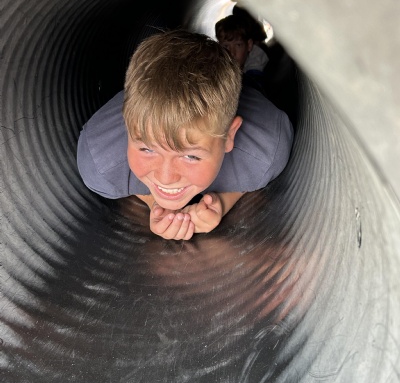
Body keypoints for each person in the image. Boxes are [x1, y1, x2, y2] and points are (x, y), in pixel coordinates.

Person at [77, 30, 293, 240]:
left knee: (253, 81)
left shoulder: (266, 150)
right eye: (147, 149)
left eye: (191, 156)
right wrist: (154, 203)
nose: (165, 177)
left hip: (248, 96)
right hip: (149, 96)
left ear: (229, 136)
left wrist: (224, 201)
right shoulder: (100, 162)